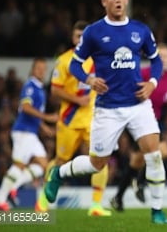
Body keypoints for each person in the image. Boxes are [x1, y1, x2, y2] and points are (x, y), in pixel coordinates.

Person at [42, 0, 167, 224]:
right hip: (108, 107)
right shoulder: (93, 32)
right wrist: (89, 79)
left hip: (138, 104)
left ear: (126, 0)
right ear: (104, 2)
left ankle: (157, 210)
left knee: (153, 154)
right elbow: (74, 64)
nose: (118, 0)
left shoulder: (140, 30)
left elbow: (155, 61)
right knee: (96, 164)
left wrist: (153, 82)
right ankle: (58, 173)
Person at [35, 20, 111, 216]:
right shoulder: (64, 60)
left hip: (94, 119)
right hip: (69, 120)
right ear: (72, 38)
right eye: (78, 36)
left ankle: (95, 205)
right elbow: (54, 91)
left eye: (84, 36)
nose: (81, 40)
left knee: (101, 159)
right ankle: (42, 202)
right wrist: (77, 100)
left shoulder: (98, 58)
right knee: (61, 159)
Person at [110, 42, 167, 212]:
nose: (165, 60)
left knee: (137, 161)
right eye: (161, 56)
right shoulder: (145, 73)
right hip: (136, 120)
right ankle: (140, 182)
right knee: (161, 152)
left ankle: (118, 197)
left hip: (154, 122)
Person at [0, 57, 58, 211]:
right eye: (38, 68)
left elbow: (33, 113)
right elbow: (26, 107)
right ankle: (0, 199)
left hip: (31, 133)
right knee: (19, 166)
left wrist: (44, 127)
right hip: (23, 132)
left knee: (42, 166)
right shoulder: (30, 86)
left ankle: (13, 187)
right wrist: (47, 117)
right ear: (33, 70)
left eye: (43, 69)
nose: (41, 71)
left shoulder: (39, 88)